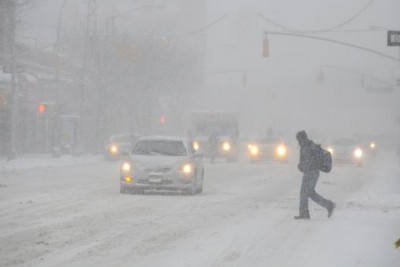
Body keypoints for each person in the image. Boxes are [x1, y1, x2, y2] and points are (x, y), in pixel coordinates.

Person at [295, 130, 336, 220]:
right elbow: (303, 161)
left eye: (298, 139)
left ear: (302, 138)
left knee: (306, 192)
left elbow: (311, 160)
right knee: (307, 193)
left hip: (312, 173)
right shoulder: (304, 146)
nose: (298, 141)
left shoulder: (310, 146)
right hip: (308, 172)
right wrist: (301, 166)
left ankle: (328, 205)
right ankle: (306, 213)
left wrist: (306, 165)